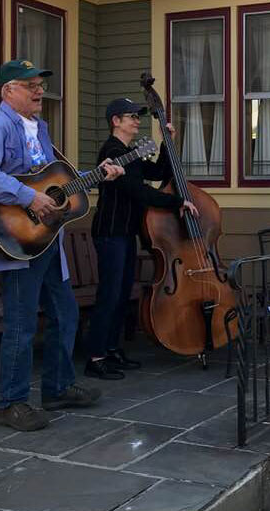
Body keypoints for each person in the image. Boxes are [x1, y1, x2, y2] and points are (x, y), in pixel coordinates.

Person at [0, 60, 125, 431]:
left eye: (40, 85)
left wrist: (99, 174)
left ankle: (57, 387)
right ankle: (12, 403)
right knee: (21, 323)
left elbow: (54, 180)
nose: (39, 91)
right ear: (8, 91)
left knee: (65, 314)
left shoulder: (40, 129)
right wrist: (26, 198)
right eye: (30, 85)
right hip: (18, 240)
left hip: (47, 240)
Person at [83, 98, 199, 380]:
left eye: (138, 116)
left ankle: (111, 350)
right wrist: (177, 202)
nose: (137, 120)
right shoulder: (111, 152)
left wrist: (166, 143)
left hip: (125, 232)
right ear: (116, 121)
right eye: (131, 116)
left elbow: (158, 172)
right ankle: (95, 357)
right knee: (110, 295)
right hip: (111, 233)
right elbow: (140, 192)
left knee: (121, 295)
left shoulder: (129, 152)